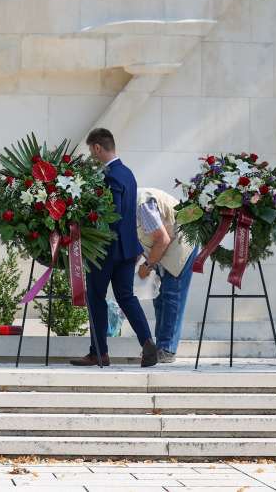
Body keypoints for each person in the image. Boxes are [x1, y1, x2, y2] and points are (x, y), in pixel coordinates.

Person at [71, 128, 158, 367]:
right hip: (128, 249)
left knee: (96, 297)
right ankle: (147, 341)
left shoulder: (110, 176)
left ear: (98, 148)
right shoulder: (128, 173)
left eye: (91, 151)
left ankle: (99, 352)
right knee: (126, 296)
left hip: (107, 249)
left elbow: (113, 214)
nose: (92, 155)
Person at [136, 187, 199, 363]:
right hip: (165, 245)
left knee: (172, 294)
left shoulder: (142, 204)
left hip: (181, 242)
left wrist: (148, 266)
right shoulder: (127, 205)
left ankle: (167, 349)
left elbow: (162, 239)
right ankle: (160, 347)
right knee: (159, 297)